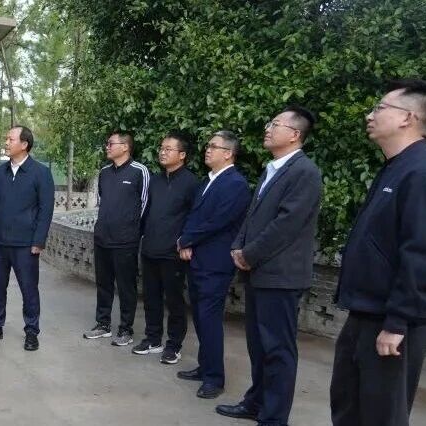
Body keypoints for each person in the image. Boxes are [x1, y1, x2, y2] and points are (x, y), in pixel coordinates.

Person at [331, 79, 426, 426]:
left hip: (394, 322)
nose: (370, 115)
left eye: (379, 108)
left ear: (407, 118)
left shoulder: (425, 173)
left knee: (381, 415)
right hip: (366, 312)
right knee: (348, 406)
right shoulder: (396, 167)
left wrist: (397, 322)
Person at [217, 106, 322, 425]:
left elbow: (286, 224)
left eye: (275, 124)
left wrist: (250, 253)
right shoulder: (272, 169)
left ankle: (274, 417)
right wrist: (238, 245)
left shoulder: (305, 172)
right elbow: (254, 215)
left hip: (280, 275)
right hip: (259, 272)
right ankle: (256, 402)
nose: (267, 128)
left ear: (294, 134)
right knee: (258, 345)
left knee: (278, 349)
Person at [175, 131, 251, 399]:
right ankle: (205, 366)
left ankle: (214, 379)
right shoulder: (208, 181)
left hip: (216, 263)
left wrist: (186, 240)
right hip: (198, 258)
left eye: (214, 146)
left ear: (228, 153)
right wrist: (186, 241)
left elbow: (217, 222)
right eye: (208, 145)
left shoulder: (235, 184)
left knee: (209, 319)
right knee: (200, 316)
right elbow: (194, 216)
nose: (208, 150)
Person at [0, 125, 55, 351]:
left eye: (10, 139)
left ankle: (31, 331)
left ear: (24, 144)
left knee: (29, 289)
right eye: (7, 139)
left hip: (25, 245)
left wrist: (38, 241)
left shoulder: (40, 173)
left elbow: (46, 210)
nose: (6, 143)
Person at [134, 132, 199, 364]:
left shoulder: (191, 182)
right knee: (150, 297)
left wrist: (187, 242)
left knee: (174, 301)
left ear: (182, 155)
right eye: (161, 148)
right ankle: (153, 339)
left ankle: (173, 345)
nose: (163, 152)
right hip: (150, 248)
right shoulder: (155, 180)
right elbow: (146, 212)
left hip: (173, 252)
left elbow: (195, 216)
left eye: (168, 149)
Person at [82, 132, 150, 347]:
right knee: (103, 284)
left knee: (126, 286)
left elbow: (145, 205)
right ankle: (103, 324)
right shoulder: (104, 172)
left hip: (126, 241)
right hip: (102, 238)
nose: (107, 147)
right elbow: (102, 202)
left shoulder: (140, 171)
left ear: (125, 147)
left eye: (111, 143)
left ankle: (126, 328)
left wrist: (133, 231)